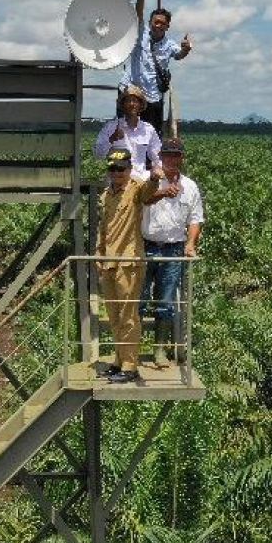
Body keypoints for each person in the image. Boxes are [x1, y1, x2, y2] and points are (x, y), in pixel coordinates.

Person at [97, 147, 162, 384]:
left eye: (121, 168)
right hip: (107, 262)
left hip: (128, 261)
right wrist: (98, 255)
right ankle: (118, 360)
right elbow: (103, 229)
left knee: (128, 316)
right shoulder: (106, 194)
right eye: (113, 169)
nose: (117, 173)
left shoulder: (135, 189)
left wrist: (155, 177)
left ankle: (130, 365)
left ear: (129, 168)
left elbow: (148, 192)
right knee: (114, 316)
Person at [141, 136, 204, 367]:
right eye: (167, 155)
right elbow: (143, 200)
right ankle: (130, 350)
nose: (171, 159)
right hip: (146, 246)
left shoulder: (190, 186)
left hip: (174, 249)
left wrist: (190, 244)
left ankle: (159, 350)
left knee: (166, 300)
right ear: (161, 157)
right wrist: (163, 192)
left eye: (176, 155)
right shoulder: (149, 181)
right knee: (140, 299)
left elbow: (196, 219)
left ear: (181, 158)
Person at [119, 0, 192, 134]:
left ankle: (151, 160)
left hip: (153, 97)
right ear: (150, 22)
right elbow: (138, 13)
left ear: (167, 26)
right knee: (126, 134)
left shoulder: (169, 44)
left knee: (151, 135)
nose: (157, 25)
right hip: (133, 92)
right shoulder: (141, 33)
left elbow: (179, 55)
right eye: (155, 21)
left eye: (161, 23)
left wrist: (186, 49)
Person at [94, 84, 161, 179]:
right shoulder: (111, 127)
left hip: (140, 180)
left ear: (140, 105)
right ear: (123, 105)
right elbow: (98, 154)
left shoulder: (148, 129)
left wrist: (157, 168)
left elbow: (157, 156)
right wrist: (112, 139)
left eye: (135, 100)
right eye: (128, 101)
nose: (131, 104)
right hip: (117, 182)